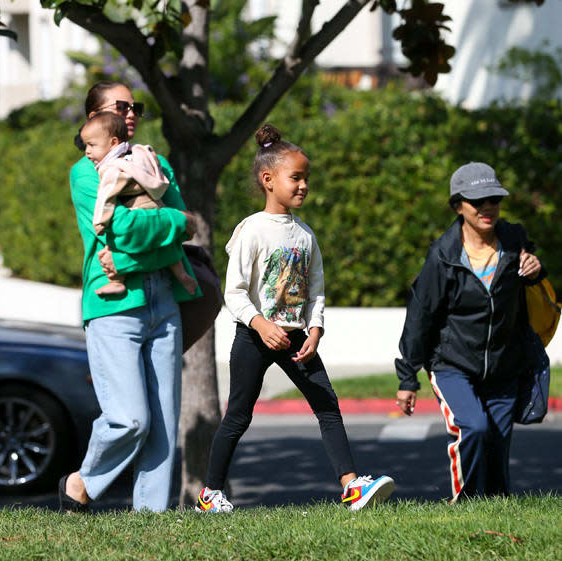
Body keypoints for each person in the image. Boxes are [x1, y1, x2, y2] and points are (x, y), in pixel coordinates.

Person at [197, 124, 395, 513]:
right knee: (238, 415)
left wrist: (316, 329)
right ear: (268, 180)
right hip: (254, 339)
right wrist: (260, 324)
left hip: (296, 339)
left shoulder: (305, 235)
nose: (304, 185)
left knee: (327, 405)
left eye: (307, 178)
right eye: (296, 177)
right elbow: (234, 292)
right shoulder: (251, 230)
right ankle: (211, 494)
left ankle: (352, 486)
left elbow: (316, 288)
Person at [59, 81, 202, 513]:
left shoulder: (154, 161)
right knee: (130, 418)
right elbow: (123, 230)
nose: (131, 111)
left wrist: (170, 228)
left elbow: (186, 220)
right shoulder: (86, 171)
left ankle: (151, 523)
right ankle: (81, 482)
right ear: (94, 118)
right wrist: (170, 230)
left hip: (165, 300)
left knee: (163, 425)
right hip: (112, 307)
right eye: (120, 106)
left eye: (134, 105)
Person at [395, 162, 544, 502]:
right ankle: (463, 505)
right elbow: (420, 316)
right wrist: (408, 378)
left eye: (493, 198)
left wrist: (536, 267)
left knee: (497, 443)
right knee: (473, 428)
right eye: (477, 201)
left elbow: (534, 276)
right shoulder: (443, 257)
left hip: (505, 367)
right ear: (458, 205)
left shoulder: (513, 239)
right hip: (452, 365)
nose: (487, 207)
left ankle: (495, 512)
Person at [79, 111, 198, 296]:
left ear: (113, 142)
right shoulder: (139, 155)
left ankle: (117, 281)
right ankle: (182, 276)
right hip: (156, 203)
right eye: (121, 106)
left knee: (112, 243)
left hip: (137, 205)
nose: (87, 151)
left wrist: (100, 221)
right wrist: (177, 219)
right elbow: (180, 223)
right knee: (168, 241)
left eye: (91, 145)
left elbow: (107, 199)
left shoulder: (111, 168)